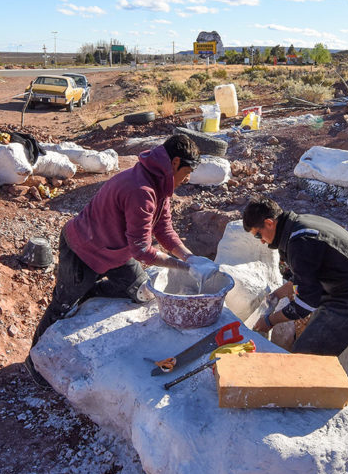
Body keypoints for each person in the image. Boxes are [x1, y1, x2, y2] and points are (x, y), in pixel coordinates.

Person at [29, 134, 213, 348]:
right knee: (62, 306)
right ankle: (35, 361)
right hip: (83, 250)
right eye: (187, 172)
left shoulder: (160, 184)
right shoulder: (141, 190)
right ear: (175, 163)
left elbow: (163, 228)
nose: (188, 179)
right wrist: (184, 267)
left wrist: (190, 258)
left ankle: (89, 292)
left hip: (116, 251)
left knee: (142, 292)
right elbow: (142, 250)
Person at [245, 196, 348, 356]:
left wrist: (269, 321)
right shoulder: (295, 227)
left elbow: (307, 303)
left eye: (258, 235)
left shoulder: (300, 242)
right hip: (343, 287)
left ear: (269, 223)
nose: (261, 242)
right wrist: (277, 295)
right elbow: (304, 275)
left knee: (305, 353)